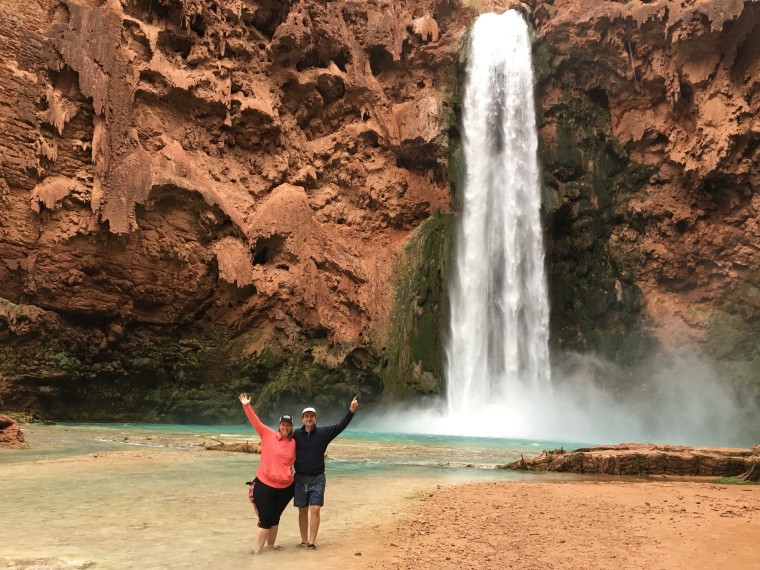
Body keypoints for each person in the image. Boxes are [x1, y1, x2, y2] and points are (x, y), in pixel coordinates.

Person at [293, 396, 359, 550]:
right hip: (300, 479)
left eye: (312, 416)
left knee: (315, 509)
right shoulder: (295, 435)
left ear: (315, 418)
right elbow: (281, 441)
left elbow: (340, 426)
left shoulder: (323, 433)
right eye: (306, 416)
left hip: (317, 478)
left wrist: (351, 411)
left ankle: (312, 542)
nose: (309, 418)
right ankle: (303, 540)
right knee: (302, 510)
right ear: (302, 419)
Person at [238, 393, 295, 554]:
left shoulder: (293, 442)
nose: (285, 427)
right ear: (279, 425)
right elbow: (255, 421)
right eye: (283, 424)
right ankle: (255, 554)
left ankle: (271, 548)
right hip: (264, 485)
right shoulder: (268, 434)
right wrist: (246, 405)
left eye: (288, 424)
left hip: (285, 488)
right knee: (266, 517)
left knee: (275, 517)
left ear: (292, 426)